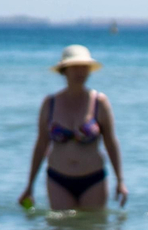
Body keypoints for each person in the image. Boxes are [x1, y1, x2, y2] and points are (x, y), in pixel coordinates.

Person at [19, 45, 128, 211]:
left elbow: (111, 143)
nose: (80, 72)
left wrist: (120, 181)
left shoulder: (99, 103)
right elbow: (41, 145)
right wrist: (29, 186)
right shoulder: (50, 103)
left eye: (84, 68)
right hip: (58, 179)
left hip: (93, 179)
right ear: (64, 70)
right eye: (75, 67)